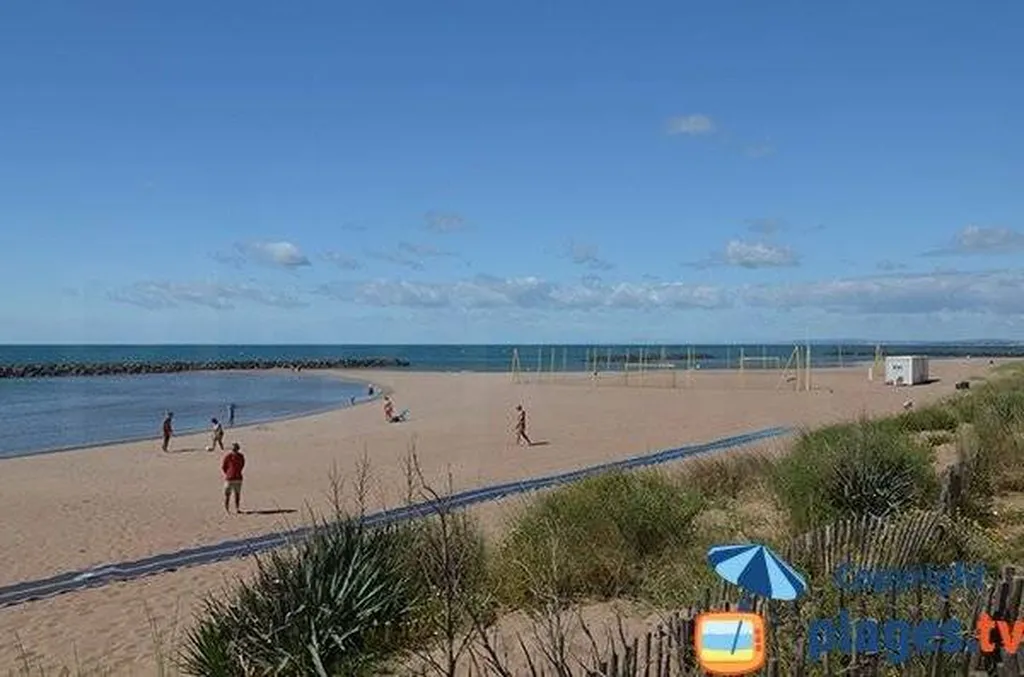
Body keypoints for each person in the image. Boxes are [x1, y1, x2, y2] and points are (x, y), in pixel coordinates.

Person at [222, 442, 245, 514]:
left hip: (238, 478)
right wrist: (228, 473)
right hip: (229, 478)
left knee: (237, 494)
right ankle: (227, 509)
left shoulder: (241, 456)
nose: (234, 450)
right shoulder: (228, 456)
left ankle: (237, 508)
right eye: (233, 449)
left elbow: (242, 465)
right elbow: (224, 467)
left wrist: (237, 471)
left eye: (235, 448)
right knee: (227, 494)